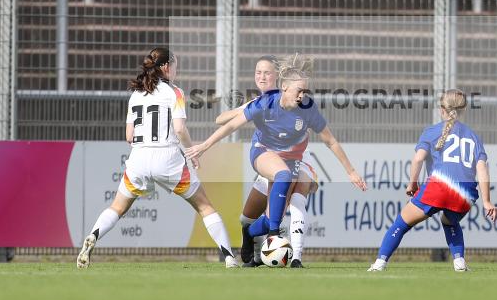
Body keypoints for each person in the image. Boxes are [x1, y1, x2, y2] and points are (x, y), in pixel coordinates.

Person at [187, 54, 366, 261]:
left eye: (305, 91)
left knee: (271, 216)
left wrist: (351, 171)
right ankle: (274, 237)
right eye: (299, 91)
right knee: (283, 176)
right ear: (284, 87)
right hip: (264, 152)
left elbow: (331, 141)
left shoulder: (308, 109)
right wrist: (205, 145)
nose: (303, 95)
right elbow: (230, 124)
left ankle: (250, 233)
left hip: (292, 160)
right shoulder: (265, 103)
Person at [77, 47, 238, 269]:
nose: (176, 71)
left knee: (117, 207)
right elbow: (180, 129)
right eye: (175, 66)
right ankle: (229, 257)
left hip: (139, 158)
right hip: (169, 158)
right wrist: (192, 152)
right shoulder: (175, 92)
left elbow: (128, 136)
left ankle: (93, 236)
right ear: (165, 67)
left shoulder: (135, 94)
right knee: (204, 207)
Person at [368, 89, 497, 273]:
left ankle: (380, 263)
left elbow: (419, 158)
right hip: (465, 193)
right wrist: (486, 201)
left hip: (439, 187)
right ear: (464, 110)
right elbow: (482, 168)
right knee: (449, 221)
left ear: (441, 110)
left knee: (401, 223)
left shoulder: (432, 131)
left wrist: (412, 182)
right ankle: (459, 262)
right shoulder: (474, 136)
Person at [216, 55, 318, 267]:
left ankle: (293, 257)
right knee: (247, 218)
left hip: (292, 160)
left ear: (278, 78)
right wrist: (246, 109)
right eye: (258, 72)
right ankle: (256, 245)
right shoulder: (261, 102)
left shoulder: (290, 97)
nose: (262, 77)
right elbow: (221, 119)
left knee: (289, 208)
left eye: (267, 72)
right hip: (270, 161)